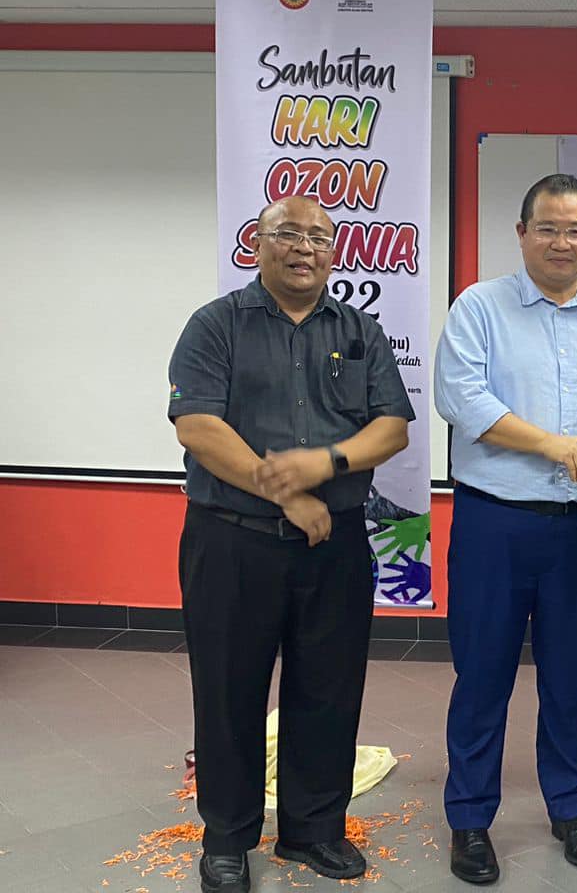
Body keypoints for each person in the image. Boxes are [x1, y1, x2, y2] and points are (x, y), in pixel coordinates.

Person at [167, 195, 413, 893]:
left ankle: (313, 830)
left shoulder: (360, 330)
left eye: (320, 237)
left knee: (328, 690)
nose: (305, 247)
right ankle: (227, 838)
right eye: (289, 234)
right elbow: (197, 425)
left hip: (334, 544)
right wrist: (285, 492)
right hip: (231, 540)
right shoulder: (216, 325)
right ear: (258, 243)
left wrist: (325, 464)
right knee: (228, 691)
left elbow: (392, 427)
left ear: (334, 252)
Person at [434, 173, 577, 885]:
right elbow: (462, 399)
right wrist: (552, 445)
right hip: (494, 521)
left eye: (575, 230)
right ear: (523, 233)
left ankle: (571, 809)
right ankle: (470, 819)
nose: (562, 242)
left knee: (570, 676)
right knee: (482, 674)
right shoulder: (479, 308)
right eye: (549, 228)